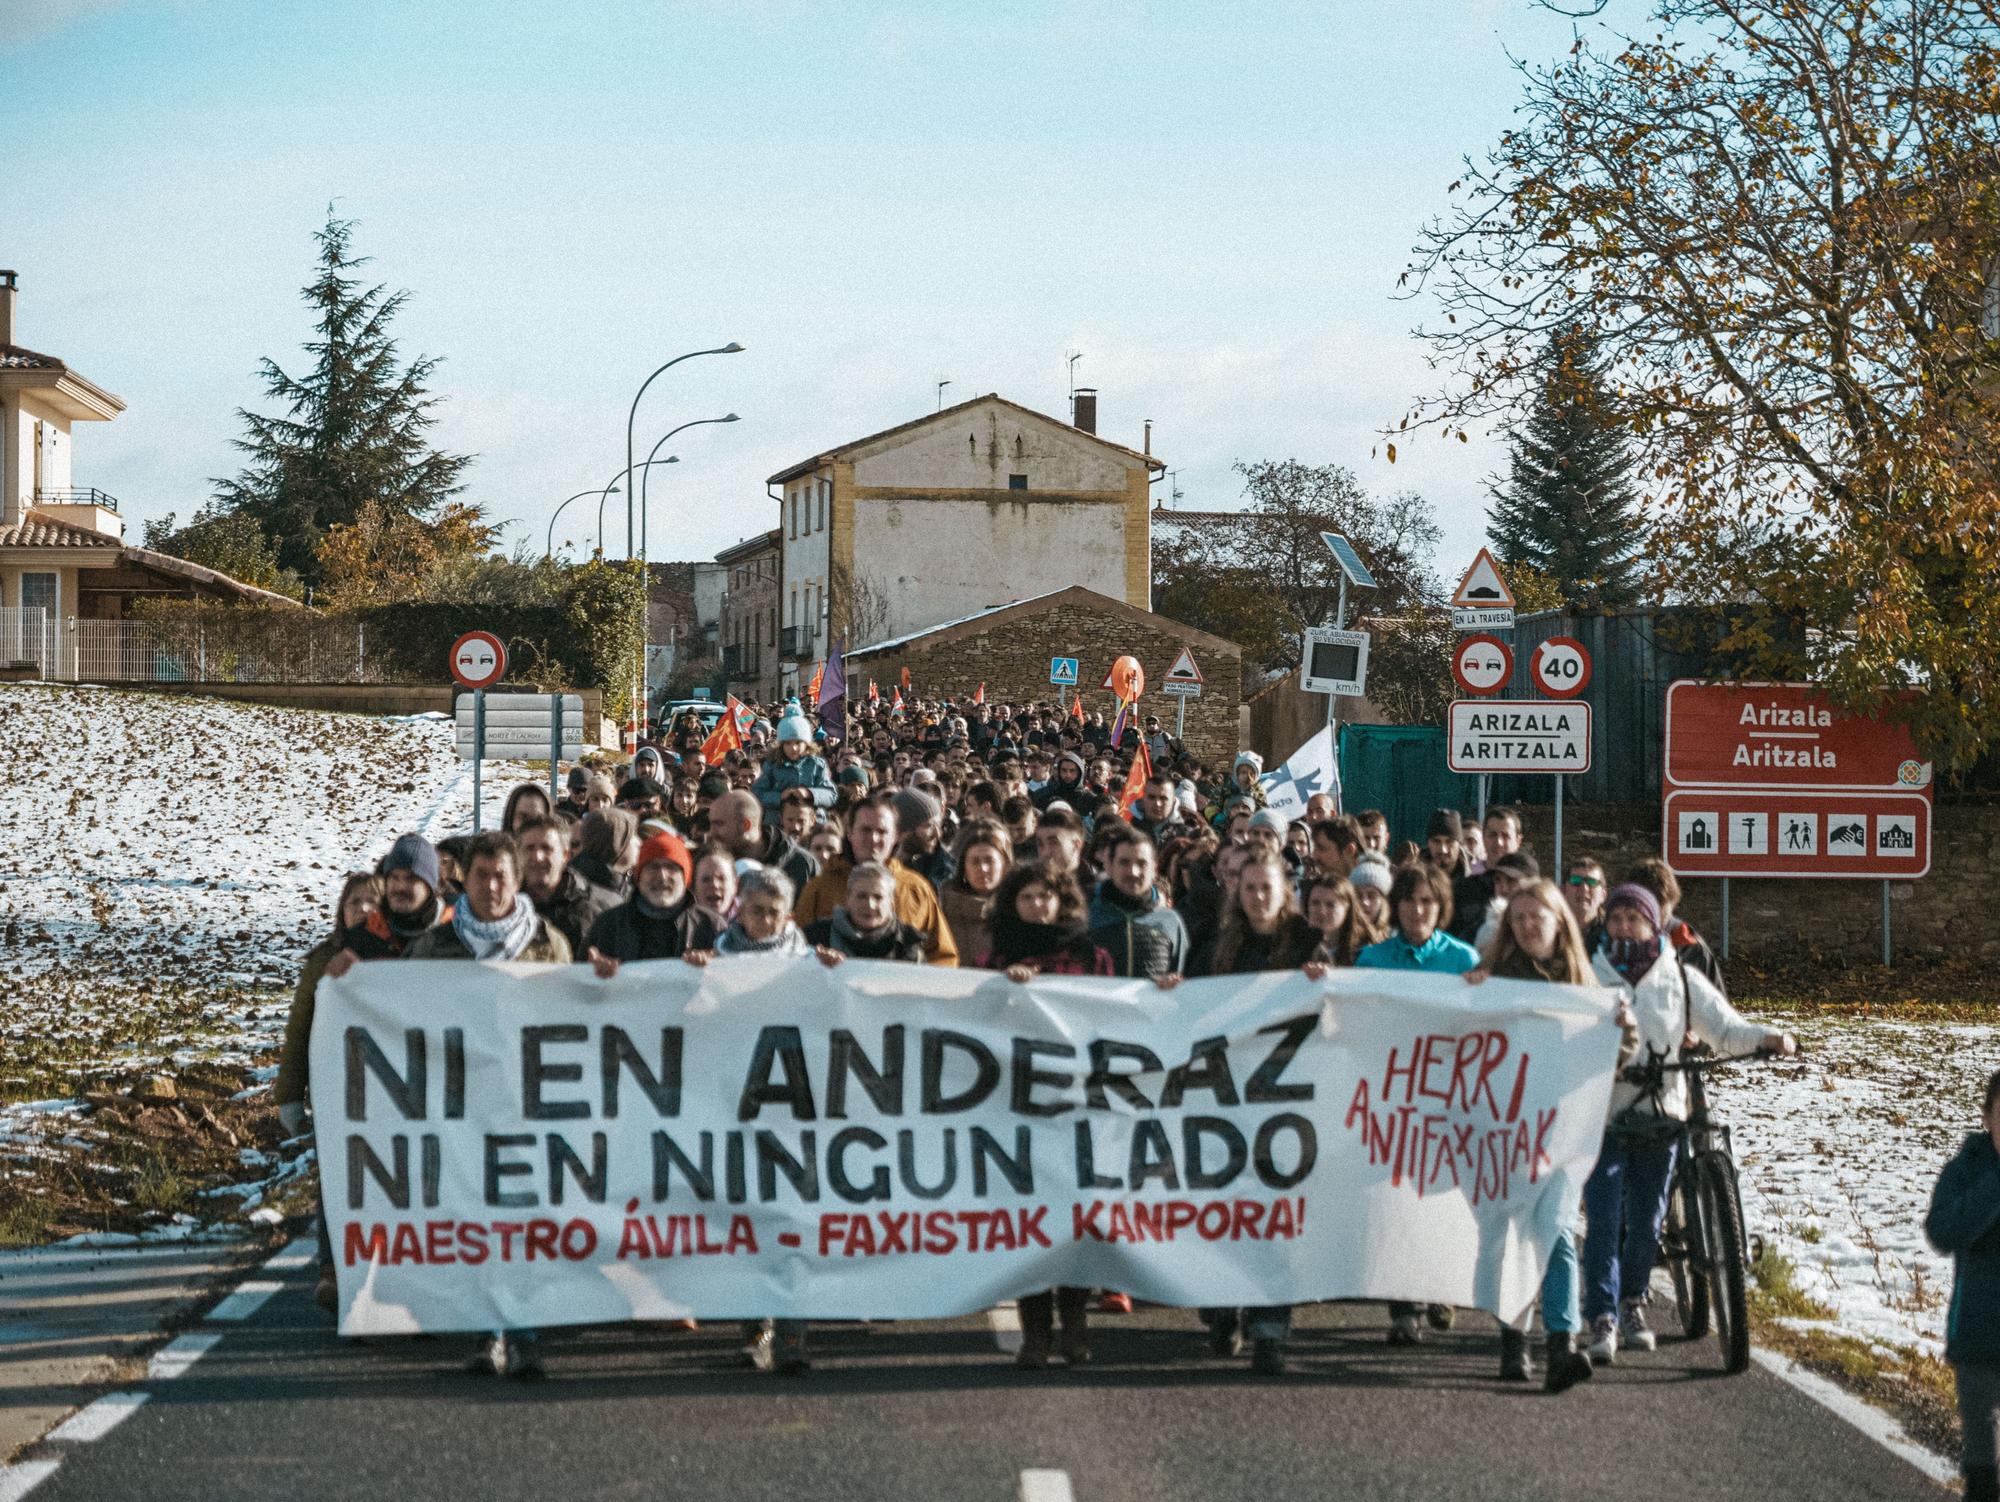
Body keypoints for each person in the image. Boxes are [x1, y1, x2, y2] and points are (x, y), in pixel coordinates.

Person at [1582, 884, 1794, 1366]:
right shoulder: (1587, 974)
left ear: (1653, 922)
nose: (1623, 926)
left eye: (1633, 918)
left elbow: (1723, 1027)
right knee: (1603, 1217)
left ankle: (1633, 1302)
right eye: (1615, 918)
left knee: (1648, 1219)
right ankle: (1601, 1316)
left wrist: (1766, 1038)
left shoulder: (1677, 975)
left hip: (1663, 1115)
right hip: (1603, 1117)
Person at [401, 831, 571, 1378]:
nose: (492, 886)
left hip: (530, 1111)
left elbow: (576, 1021)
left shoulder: (549, 944)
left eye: (502, 876)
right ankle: (485, 1332)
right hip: (462, 1112)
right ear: (464, 881)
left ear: (517, 880)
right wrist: (349, 982)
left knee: (524, 1224)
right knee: (474, 1220)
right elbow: (394, 1013)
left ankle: (525, 1334)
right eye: (481, 876)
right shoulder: (433, 949)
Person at [1466, 879, 1627, 1392]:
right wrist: (1466, 997)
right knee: (1505, 1235)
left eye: (1538, 916)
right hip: (1501, 1130)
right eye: (1519, 919)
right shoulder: (1491, 982)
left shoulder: (1587, 987)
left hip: (1559, 1131)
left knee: (1556, 1230)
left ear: (1559, 922)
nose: (1529, 925)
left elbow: (1614, 1056)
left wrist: (1621, 1029)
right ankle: (1513, 1338)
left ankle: (1562, 1345)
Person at [1188, 849, 1328, 1374]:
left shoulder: (1309, 945)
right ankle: (1223, 1306)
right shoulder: (1215, 944)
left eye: (1267, 888)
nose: (1259, 897)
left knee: (1274, 1219)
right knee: (1226, 1214)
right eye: (1249, 889)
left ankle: (1270, 1331)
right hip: (1224, 1099)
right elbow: (1189, 1009)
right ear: (1236, 892)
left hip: (1287, 1104)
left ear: (1284, 889)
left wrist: (1324, 983)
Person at [1356, 862, 1480, 1345]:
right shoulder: (1372, 960)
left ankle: (1443, 1287)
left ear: (1441, 906)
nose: (1418, 910)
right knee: (1398, 1203)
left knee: (1445, 1199)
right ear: (1396, 906)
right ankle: (1403, 1308)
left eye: (1427, 901)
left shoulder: (1464, 960)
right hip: (1394, 1099)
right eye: (1409, 901)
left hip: (1451, 1097)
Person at [275, 870, 380, 1310]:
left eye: (371, 902)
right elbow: (299, 1030)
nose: (362, 909)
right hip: (337, 1091)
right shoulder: (323, 960)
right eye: (354, 902)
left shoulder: (396, 955)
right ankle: (332, 1269)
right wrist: (288, 1094)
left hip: (388, 1093)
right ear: (342, 909)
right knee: (336, 1183)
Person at [1924, 1069, 2000, 1502]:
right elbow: (1943, 1232)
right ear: (1987, 1117)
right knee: (1982, 1458)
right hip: (1977, 1335)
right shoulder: (1967, 1169)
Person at [792, 798, 959, 965]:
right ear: (850, 832)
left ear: (896, 836)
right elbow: (794, 948)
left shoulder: (916, 888)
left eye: (882, 831)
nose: (873, 838)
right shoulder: (820, 888)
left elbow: (942, 956)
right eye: (865, 830)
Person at [1087, 825, 1188, 979]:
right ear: (1109, 866)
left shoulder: (1170, 922)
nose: (1133, 872)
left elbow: (1187, 982)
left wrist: (1173, 983)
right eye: (1124, 863)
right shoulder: (1086, 916)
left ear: (1154, 869)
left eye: (1142, 864)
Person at [584, 831, 699, 964]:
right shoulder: (610, 925)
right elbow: (580, 976)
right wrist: (595, 970)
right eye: (653, 867)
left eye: (671, 867)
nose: (662, 876)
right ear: (639, 876)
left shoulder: (707, 926)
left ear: (685, 878)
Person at [517, 816, 618, 955]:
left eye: (547, 848)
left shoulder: (604, 908)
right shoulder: (501, 908)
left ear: (566, 855)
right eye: (529, 848)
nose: (537, 857)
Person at [802, 861, 927, 961]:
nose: (870, 905)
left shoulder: (909, 944)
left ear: (892, 904)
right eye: (861, 896)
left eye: (878, 897)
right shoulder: (816, 937)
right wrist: (817, 963)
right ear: (847, 900)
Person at [707, 789, 820, 893]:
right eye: (711, 824)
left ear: (745, 826)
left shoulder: (802, 865)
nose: (711, 833)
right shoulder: (708, 862)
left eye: (719, 824)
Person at [939, 817, 1011, 966]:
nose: (982, 868)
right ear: (964, 867)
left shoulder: (1021, 906)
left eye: (989, 861)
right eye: (975, 861)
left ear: (1004, 864)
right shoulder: (942, 905)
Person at [711, 866, 813, 956]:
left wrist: (827, 965)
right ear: (740, 914)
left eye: (774, 913)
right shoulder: (720, 951)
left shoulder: (803, 955)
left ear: (788, 918)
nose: (766, 920)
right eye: (756, 912)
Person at [752, 712, 837, 818]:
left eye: (798, 743)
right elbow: (757, 794)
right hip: (779, 823)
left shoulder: (817, 764)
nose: (793, 748)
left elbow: (831, 794)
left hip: (813, 822)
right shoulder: (772, 764)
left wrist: (810, 793)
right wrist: (780, 797)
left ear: (806, 743)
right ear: (781, 745)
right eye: (788, 743)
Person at [1301, 874, 1379, 966]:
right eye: (1315, 903)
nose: (1321, 911)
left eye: (1330, 905)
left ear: (1347, 909)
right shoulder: (1294, 945)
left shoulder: (1366, 951)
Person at [892, 787, 954, 890]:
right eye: (928, 826)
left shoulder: (946, 873)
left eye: (938, 825)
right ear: (903, 831)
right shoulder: (879, 865)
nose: (937, 834)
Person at [572, 808, 638, 898]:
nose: (639, 842)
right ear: (616, 843)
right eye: (633, 836)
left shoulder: (623, 883)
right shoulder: (582, 891)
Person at [1563, 855, 1609, 952]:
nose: (1584, 888)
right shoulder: (1550, 932)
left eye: (1592, 882)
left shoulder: (1613, 934)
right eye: (1576, 881)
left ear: (1603, 895)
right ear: (1563, 891)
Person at [1032, 806, 1087, 877]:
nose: (1045, 852)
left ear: (1076, 845)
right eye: (1040, 844)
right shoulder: (1028, 884)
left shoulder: (1099, 886)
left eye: (1054, 843)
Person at [1347, 851, 1393, 932]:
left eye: (1372, 896)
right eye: (1358, 896)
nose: (1365, 902)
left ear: (1384, 900)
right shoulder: (1340, 936)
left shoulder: (1396, 940)